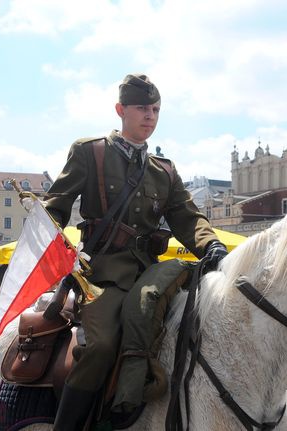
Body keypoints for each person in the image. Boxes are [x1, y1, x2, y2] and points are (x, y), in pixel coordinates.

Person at [44, 73, 226, 430]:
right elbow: (56, 207)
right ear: (120, 110)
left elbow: (187, 218)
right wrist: (52, 244)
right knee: (100, 347)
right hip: (102, 276)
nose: (150, 116)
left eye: (156, 109)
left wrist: (213, 244)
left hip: (150, 274)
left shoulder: (164, 171)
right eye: (142, 108)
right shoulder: (91, 152)